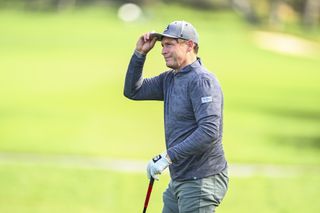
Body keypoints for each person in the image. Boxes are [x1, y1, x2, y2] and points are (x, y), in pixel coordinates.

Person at [124, 20, 228, 213]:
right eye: (162, 45)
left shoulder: (202, 80)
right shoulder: (170, 79)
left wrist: (167, 157)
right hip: (180, 178)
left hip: (201, 179)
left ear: (189, 45)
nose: (163, 50)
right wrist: (140, 54)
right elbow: (133, 91)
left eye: (169, 45)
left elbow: (209, 131)